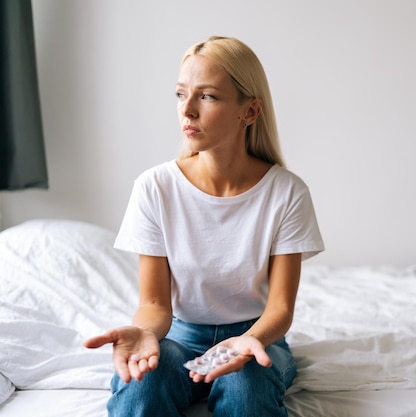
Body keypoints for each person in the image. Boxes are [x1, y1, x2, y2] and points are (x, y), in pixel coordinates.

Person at [84, 35, 324, 417]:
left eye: (208, 96)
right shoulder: (155, 187)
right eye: (181, 95)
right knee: (142, 384)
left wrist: (245, 343)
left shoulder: (286, 192)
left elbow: (279, 308)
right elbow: (154, 304)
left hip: (254, 335)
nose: (188, 111)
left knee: (246, 388)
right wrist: (146, 333)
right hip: (178, 336)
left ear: (250, 111)